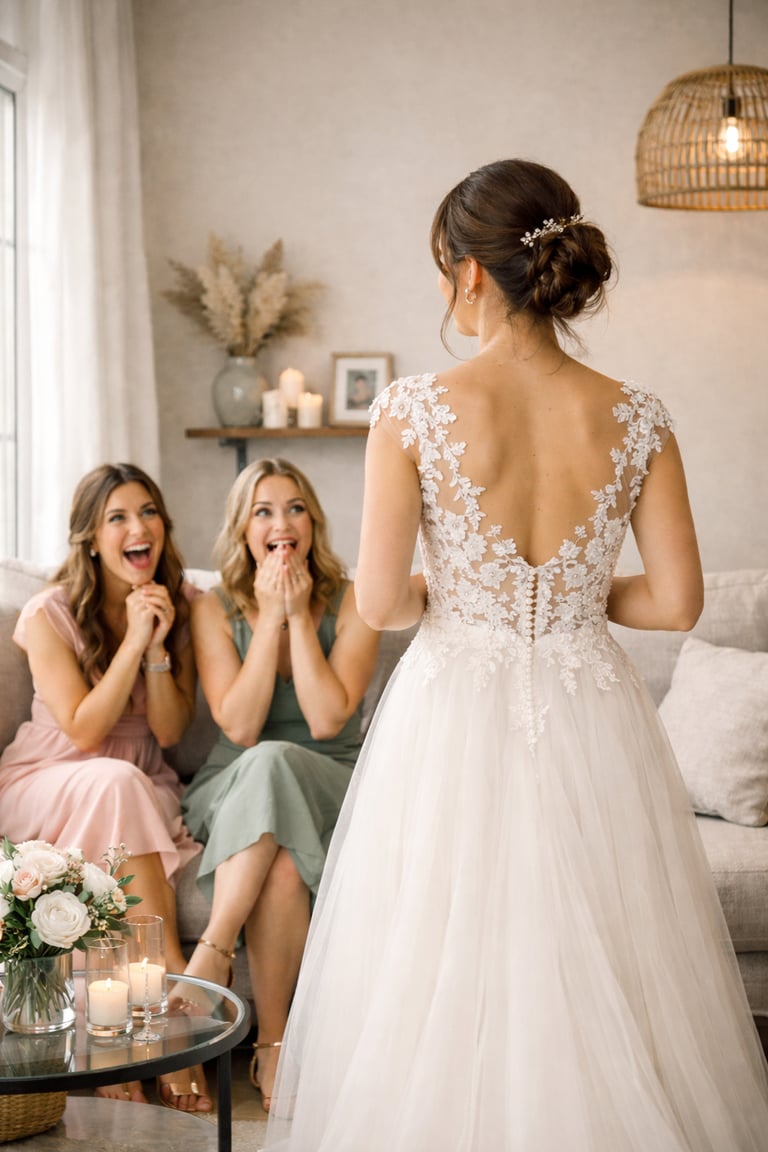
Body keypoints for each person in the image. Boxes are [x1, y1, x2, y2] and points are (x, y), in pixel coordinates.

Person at [263, 160, 768, 1151]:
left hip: (455, 707)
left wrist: (471, 590)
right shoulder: (637, 414)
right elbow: (677, 600)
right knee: (606, 955)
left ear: (472, 275)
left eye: (442, 267)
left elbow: (379, 601)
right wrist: (568, 592)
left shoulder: (412, 410)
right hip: (592, 708)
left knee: (438, 956)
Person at [0, 463, 211, 1113]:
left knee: (127, 786)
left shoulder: (183, 604)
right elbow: (86, 730)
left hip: (140, 781)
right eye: (116, 517)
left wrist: (156, 644)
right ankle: (169, 1008)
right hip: (48, 777)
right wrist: (131, 638)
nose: (136, 527)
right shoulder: (48, 613)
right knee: (116, 780)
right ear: (91, 538)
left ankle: (119, 1043)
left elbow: (171, 730)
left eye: (147, 512)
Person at [179, 457, 379, 1112]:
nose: (280, 523)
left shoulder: (354, 598)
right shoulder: (212, 606)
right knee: (283, 853)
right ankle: (273, 1045)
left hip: (330, 776)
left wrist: (296, 616)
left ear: (312, 521)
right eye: (263, 511)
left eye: (293, 507)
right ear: (243, 529)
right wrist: (267, 618)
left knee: (280, 760)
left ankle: (214, 951)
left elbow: (325, 720)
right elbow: (237, 727)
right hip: (234, 782)